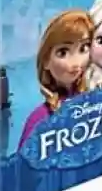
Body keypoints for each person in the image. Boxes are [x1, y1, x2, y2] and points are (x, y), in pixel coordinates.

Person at [17, 10, 94, 148]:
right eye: (63, 52)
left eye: (83, 48)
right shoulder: (39, 119)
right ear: (46, 60)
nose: (76, 62)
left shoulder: (96, 101)